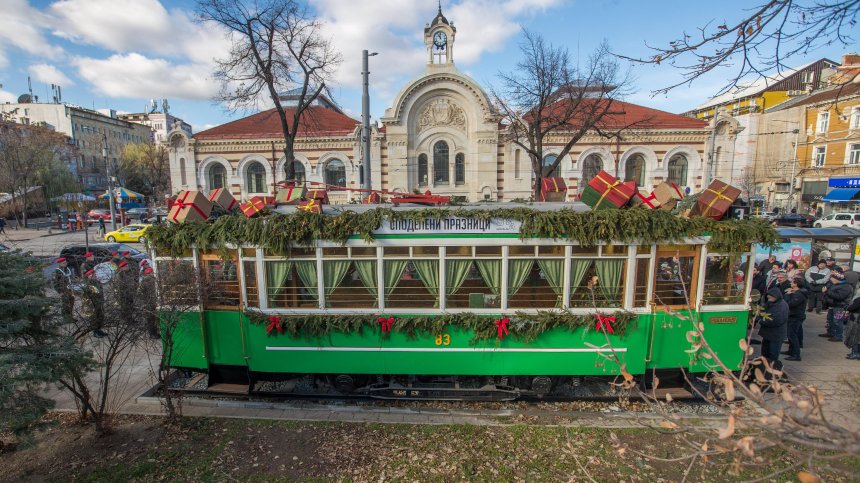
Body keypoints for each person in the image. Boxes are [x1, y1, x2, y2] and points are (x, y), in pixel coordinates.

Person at [759, 287, 789, 367]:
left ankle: (772, 368)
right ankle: (765, 367)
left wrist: (762, 321)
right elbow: (762, 311)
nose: (769, 298)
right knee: (765, 352)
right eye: (768, 296)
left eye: (770, 296)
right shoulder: (770, 303)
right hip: (768, 333)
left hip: (776, 334)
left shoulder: (781, 306)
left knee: (773, 354)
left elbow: (776, 320)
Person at [822, 270, 852, 342]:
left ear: (837, 279)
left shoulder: (846, 286)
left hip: (840, 306)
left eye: (832, 279)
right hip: (833, 305)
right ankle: (830, 332)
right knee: (830, 319)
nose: (831, 280)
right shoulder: (834, 284)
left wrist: (827, 292)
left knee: (838, 321)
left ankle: (838, 336)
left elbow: (840, 297)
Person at [784, 277, 808, 361]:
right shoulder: (796, 293)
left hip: (796, 317)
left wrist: (787, 295)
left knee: (792, 335)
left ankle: (796, 354)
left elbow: (790, 304)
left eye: (792, 282)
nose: (790, 284)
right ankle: (791, 351)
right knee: (790, 335)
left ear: (796, 284)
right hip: (793, 316)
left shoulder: (799, 294)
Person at [82, 269, 107, 337]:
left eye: (95, 274)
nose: (95, 275)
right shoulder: (88, 285)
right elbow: (87, 297)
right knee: (94, 318)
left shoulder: (97, 282)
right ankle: (95, 332)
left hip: (99, 303)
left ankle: (99, 330)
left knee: (100, 317)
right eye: (93, 275)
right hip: (93, 305)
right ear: (89, 276)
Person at [137, 266, 158, 338]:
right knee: (150, 319)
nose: (151, 274)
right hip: (149, 304)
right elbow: (140, 294)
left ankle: (154, 333)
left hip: (152, 302)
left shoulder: (154, 280)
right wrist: (145, 302)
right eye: (150, 273)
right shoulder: (145, 281)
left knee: (152, 319)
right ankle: (152, 334)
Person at [53, 257, 74, 322]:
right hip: (64, 291)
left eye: (66, 262)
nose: (65, 264)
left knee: (71, 303)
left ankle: (70, 317)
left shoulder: (67, 269)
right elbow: (55, 283)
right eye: (63, 263)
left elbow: (71, 278)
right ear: (60, 264)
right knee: (65, 305)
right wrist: (59, 292)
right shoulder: (57, 271)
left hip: (70, 290)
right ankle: (65, 319)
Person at [843, 294, 860, 360]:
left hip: (856, 320)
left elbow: (852, 307)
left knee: (854, 336)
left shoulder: (858, 299)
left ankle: (855, 353)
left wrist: (847, 308)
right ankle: (857, 353)